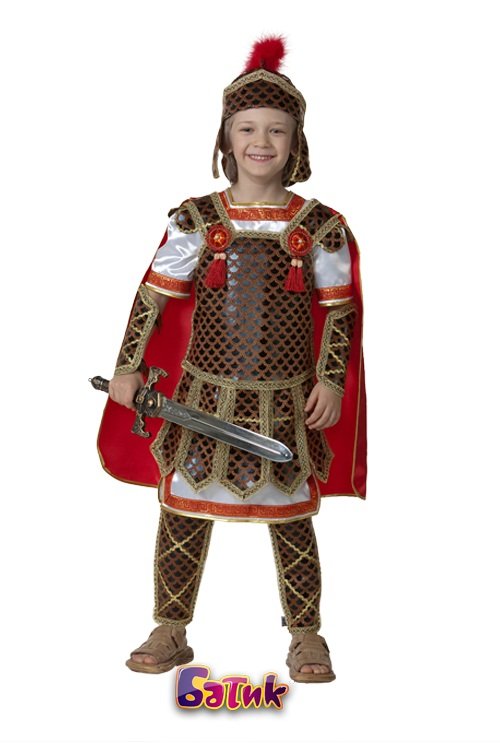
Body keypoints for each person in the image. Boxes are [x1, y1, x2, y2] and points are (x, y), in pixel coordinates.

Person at [97, 35, 367, 684]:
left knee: (293, 518)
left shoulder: (319, 227)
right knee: (183, 512)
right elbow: (153, 297)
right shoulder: (197, 220)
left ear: (295, 143)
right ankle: (170, 627)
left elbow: (338, 312)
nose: (260, 142)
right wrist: (128, 366)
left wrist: (331, 380)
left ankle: (306, 635)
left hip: (284, 400)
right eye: (247, 128)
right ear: (226, 137)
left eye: (276, 130)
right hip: (203, 398)